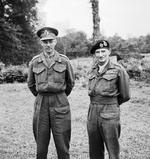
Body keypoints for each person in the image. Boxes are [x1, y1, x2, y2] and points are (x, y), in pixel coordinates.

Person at [27, 27, 75, 159]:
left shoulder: (64, 60)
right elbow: (31, 84)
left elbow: (70, 83)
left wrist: (60, 95)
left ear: (55, 41)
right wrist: (41, 95)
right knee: (41, 146)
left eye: (50, 41)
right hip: (41, 102)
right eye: (45, 41)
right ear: (41, 43)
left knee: (62, 145)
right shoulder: (35, 61)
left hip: (60, 102)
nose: (48, 44)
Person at [87, 40, 130, 159]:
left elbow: (125, 95)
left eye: (103, 51)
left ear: (109, 52)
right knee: (94, 149)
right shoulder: (92, 70)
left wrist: (111, 105)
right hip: (92, 112)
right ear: (94, 54)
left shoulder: (118, 69)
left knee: (112, 148)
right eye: (97, 52)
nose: (101, 55)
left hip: (110, 112)